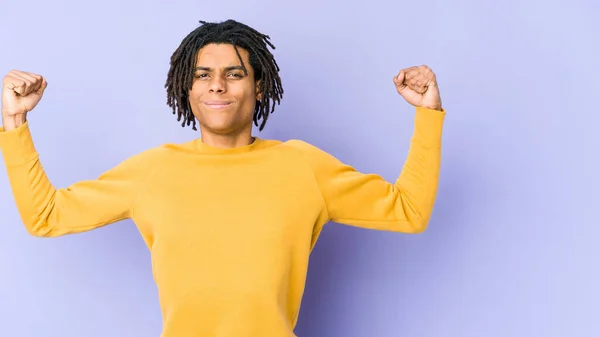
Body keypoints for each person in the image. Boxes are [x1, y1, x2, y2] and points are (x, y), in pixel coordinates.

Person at [0, 19, 445, 337]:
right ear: (187, 88)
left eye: (234, 74)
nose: (217, 86)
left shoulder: (302, 166)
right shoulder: (152, 171)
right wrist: (15, 122)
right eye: (203, 75)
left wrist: (427, 115)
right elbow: (47, 216)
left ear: (259, 88)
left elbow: (408, 211)